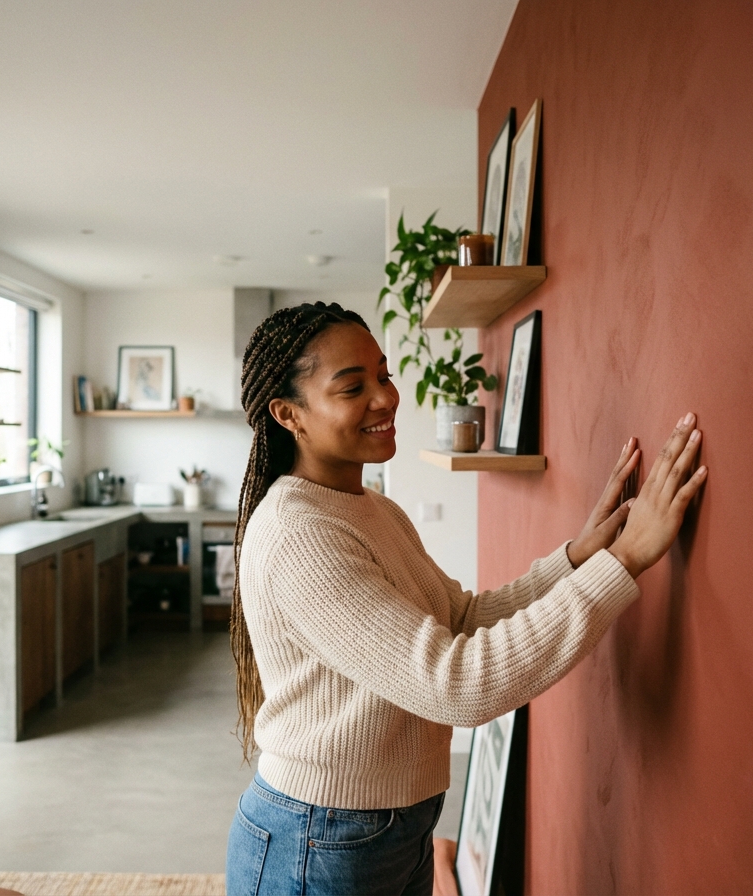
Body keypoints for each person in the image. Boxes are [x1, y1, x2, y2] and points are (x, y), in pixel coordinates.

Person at [225, 302, 707, 895]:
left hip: (386, 830)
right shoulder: (298, 534)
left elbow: (460, 620)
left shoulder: (375, 511)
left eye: (384, 375)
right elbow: (454, 685)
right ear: (288, 414)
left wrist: (578, 558)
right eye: (353, 387)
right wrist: (625, 560)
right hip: (320, 841)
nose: (385, 398)